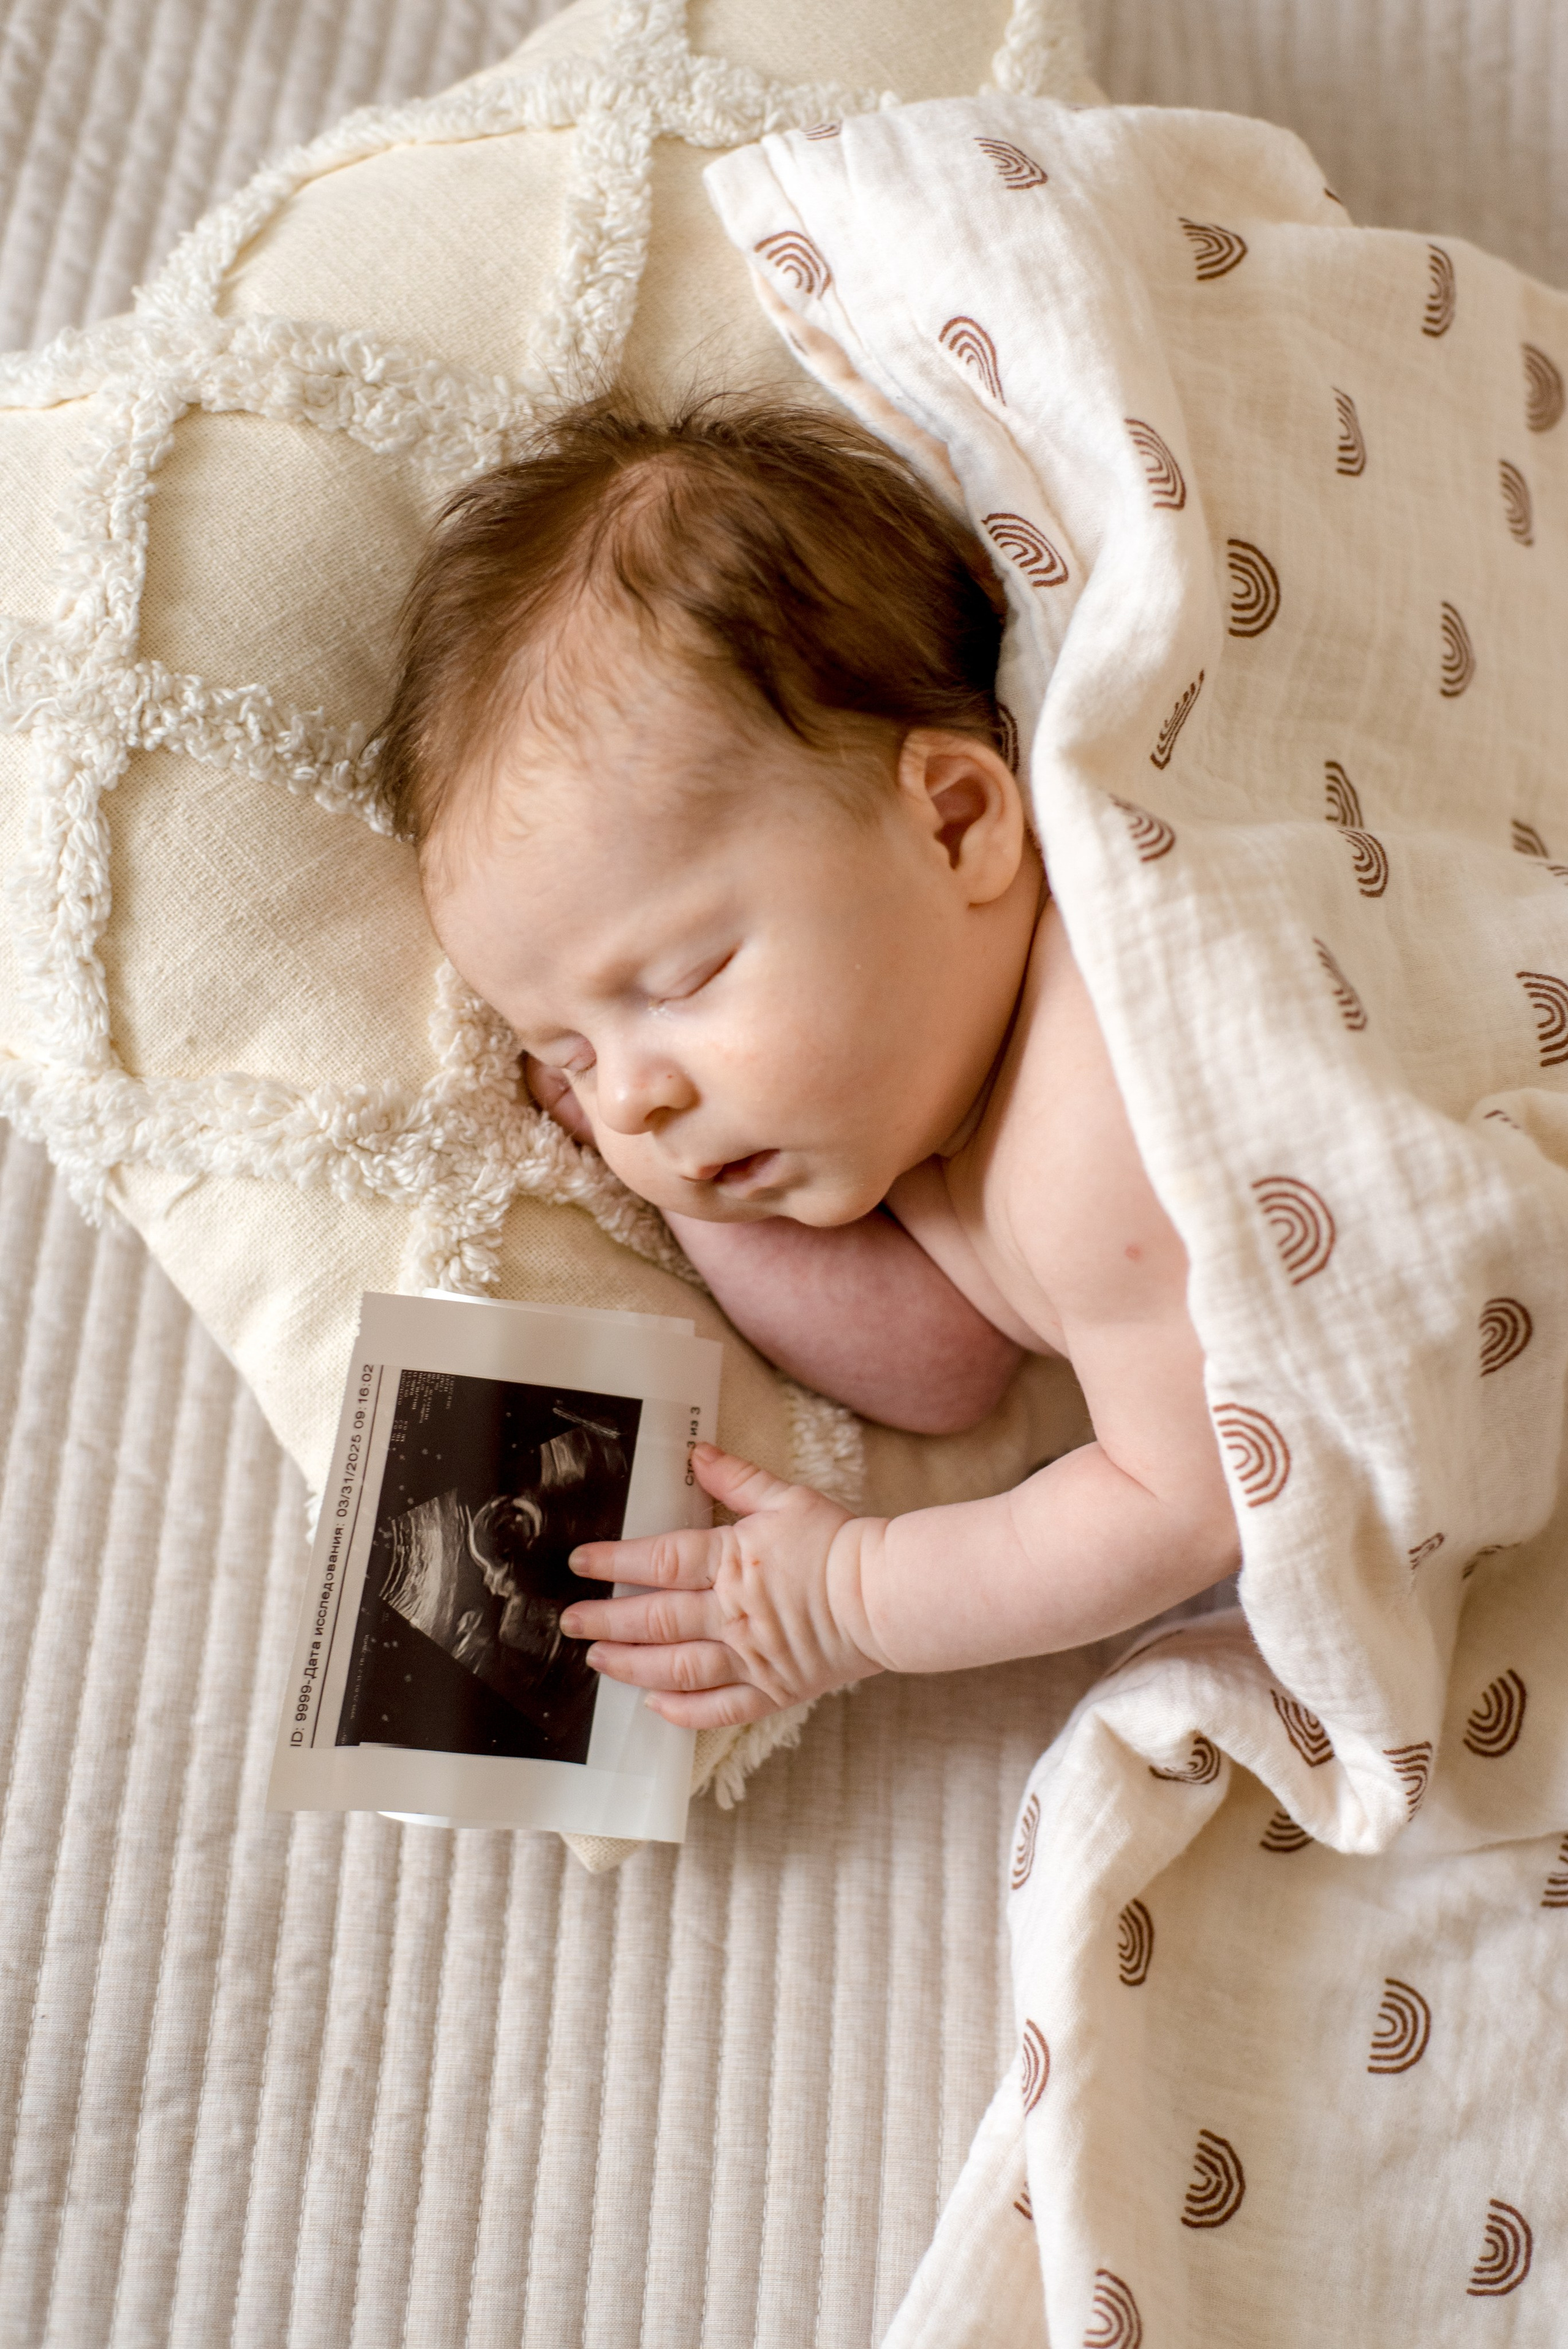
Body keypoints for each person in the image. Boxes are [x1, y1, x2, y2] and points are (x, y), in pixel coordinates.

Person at [377, 397, 1240, 1732]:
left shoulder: (1100, 1118)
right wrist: (690, 1196)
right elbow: (940, 1370)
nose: (629, 1097)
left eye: (679, 983)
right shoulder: (932, 1088)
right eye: (567, 1053)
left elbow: (1188, 1501)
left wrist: (848, 1598)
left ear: (954, 824)